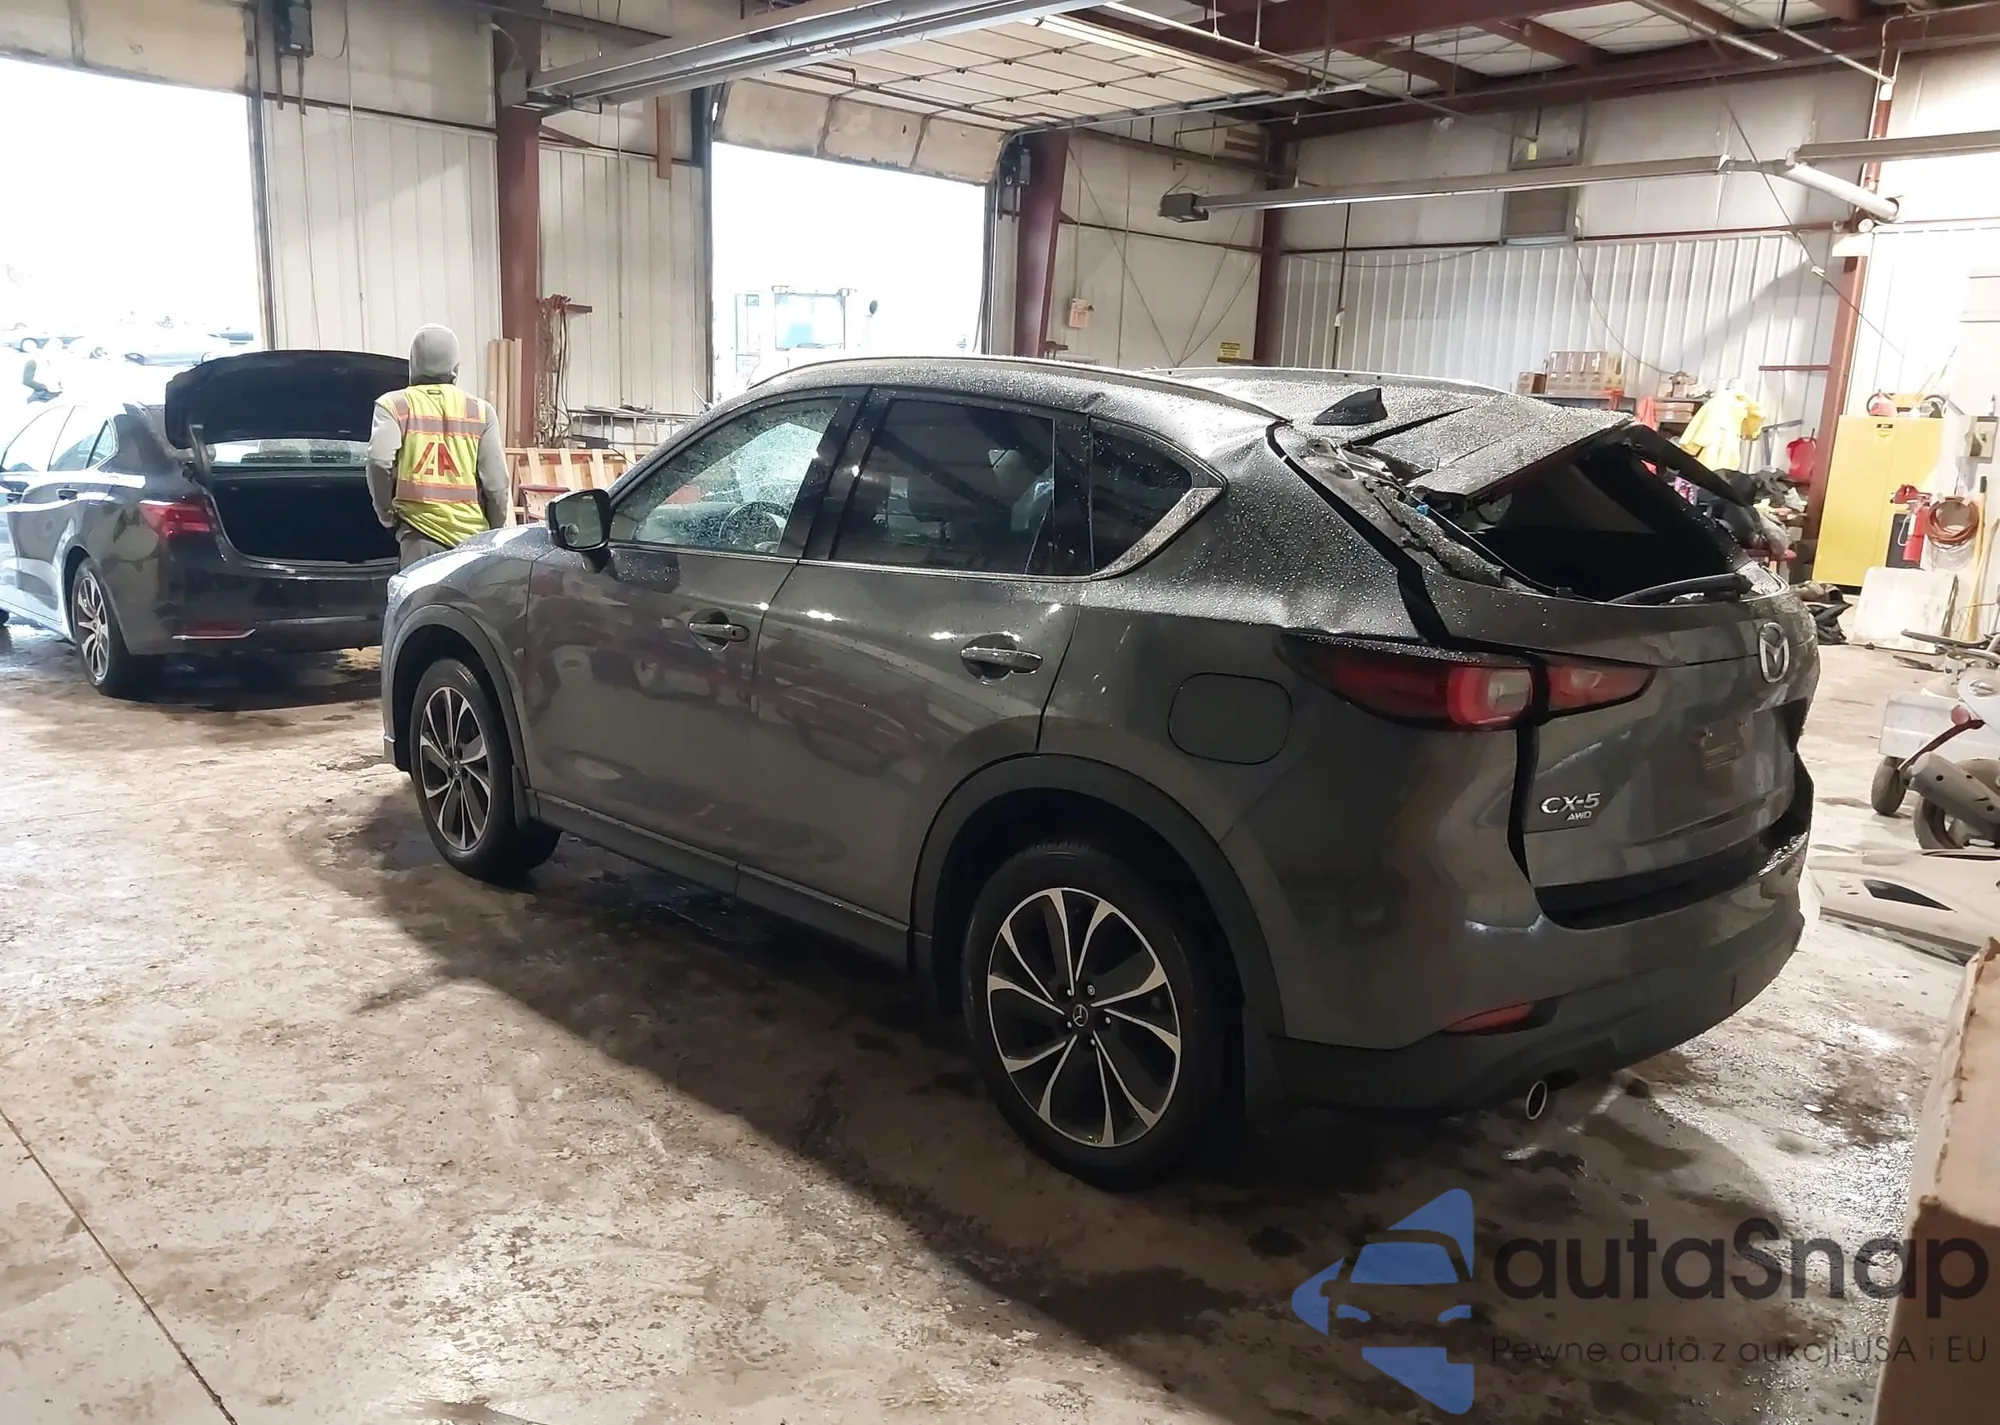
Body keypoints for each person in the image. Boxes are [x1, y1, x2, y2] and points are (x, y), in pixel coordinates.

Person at [366, 324, 511, 568]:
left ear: (413, 363)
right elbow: (497, 485)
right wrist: (493, 532)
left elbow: (378, 462)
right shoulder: (480, 411)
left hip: (419, 538)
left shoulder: (393, 406)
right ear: (455, 367)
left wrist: (387, 515)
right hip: (472, 543)